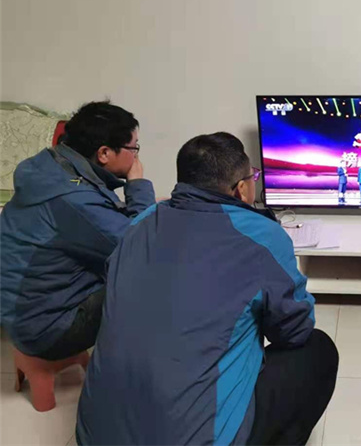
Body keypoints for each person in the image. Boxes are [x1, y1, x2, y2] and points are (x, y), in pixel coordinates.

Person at [76, 132, 339, 446]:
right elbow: (293, 331)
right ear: (241, 188)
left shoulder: (138, 224)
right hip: (198, 440)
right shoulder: (262, 235)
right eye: (253, 177)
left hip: (94, 436)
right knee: (317, 348)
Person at [0, 100, 155, 360]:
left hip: (21, 313)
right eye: (134, 148)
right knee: (153, 278)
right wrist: (138, 185)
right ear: (104, 153)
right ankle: (138, 373)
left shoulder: (49, 167)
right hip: (47, 330)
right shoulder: (75, 199)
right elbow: (141, 248)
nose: (136, 156)